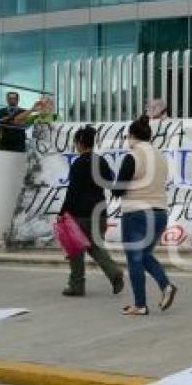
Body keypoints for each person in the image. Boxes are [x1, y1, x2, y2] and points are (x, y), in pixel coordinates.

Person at [112, 115, 178, 316]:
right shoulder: (160, 156)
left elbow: (119, 189)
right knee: (145, 255)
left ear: (131, 135)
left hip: (137, 214)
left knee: (134, 258)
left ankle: (140, 305)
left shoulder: (133, 156)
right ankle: (166, 285)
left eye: (127, 136)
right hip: (160, 213)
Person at [59, 126, 124, 297]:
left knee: (76, 251)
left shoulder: (78, 164)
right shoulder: (101, 161)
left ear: (80, 143)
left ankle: (77, 285)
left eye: (76, 142)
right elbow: (110, 183)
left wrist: (62, 212)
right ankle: (114, 272)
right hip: (99, 211)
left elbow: (72, 191)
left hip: (80, 214)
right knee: (95, 246)